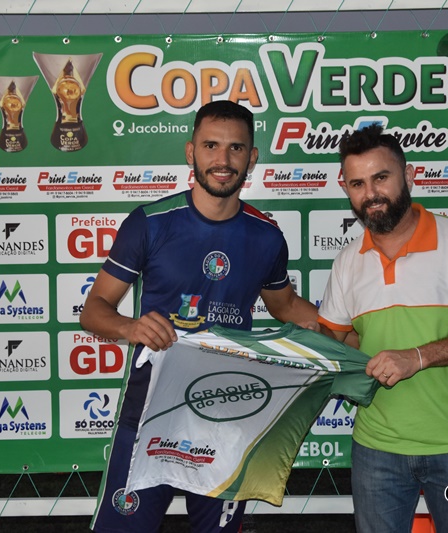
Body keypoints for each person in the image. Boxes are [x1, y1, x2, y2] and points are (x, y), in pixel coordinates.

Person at [80, 100, 319, 533]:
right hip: (149, 417)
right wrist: (130, 327)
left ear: (252, 157)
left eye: (235, 148)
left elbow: (286, 307)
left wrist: (345, 334)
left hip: (226, 422)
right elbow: (94, 310)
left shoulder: (266, 236)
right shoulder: (150, 223)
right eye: (211, 146)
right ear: (191, 152)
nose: (223, 160)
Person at [318, 125, 448, 533]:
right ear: (346, 189)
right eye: (357, 184)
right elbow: (330, 344)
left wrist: (418, 357)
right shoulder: (348, 260)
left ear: (409, 176)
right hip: (375, 446)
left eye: (381, 177)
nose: (371, 193)